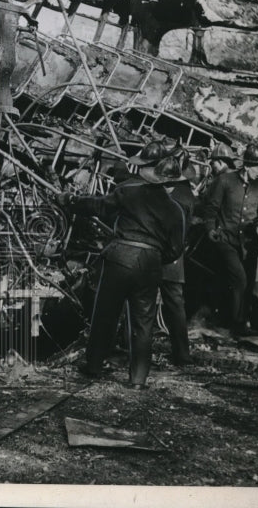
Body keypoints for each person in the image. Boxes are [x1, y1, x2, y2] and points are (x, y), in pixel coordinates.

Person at [59, 142, 188, 389]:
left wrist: (70, 200)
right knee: (143, 322)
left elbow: (97, 206)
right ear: (171, 184)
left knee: (105, 314)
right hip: (150, 264)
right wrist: (154, 256)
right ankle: (138, 379)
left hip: (119, 258)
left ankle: (94, 366)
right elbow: (176, 249)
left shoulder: (129, 192)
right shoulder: (176, 210)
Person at [196, 143, 258, 337]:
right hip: (226, 240)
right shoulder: (225, 181)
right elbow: (211, 209)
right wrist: (211, 230)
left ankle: (236, 320)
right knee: (239, 279)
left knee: (247, 283)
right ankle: (236, 325)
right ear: (247, 166)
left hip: (249, 244)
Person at [162, 156, 200, 367]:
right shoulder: (188, 195)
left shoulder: (173, 195)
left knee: (143, 302)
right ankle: (182, 354)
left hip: (163, 254)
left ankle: (131, 346)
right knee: (176, 305)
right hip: (176, 257)